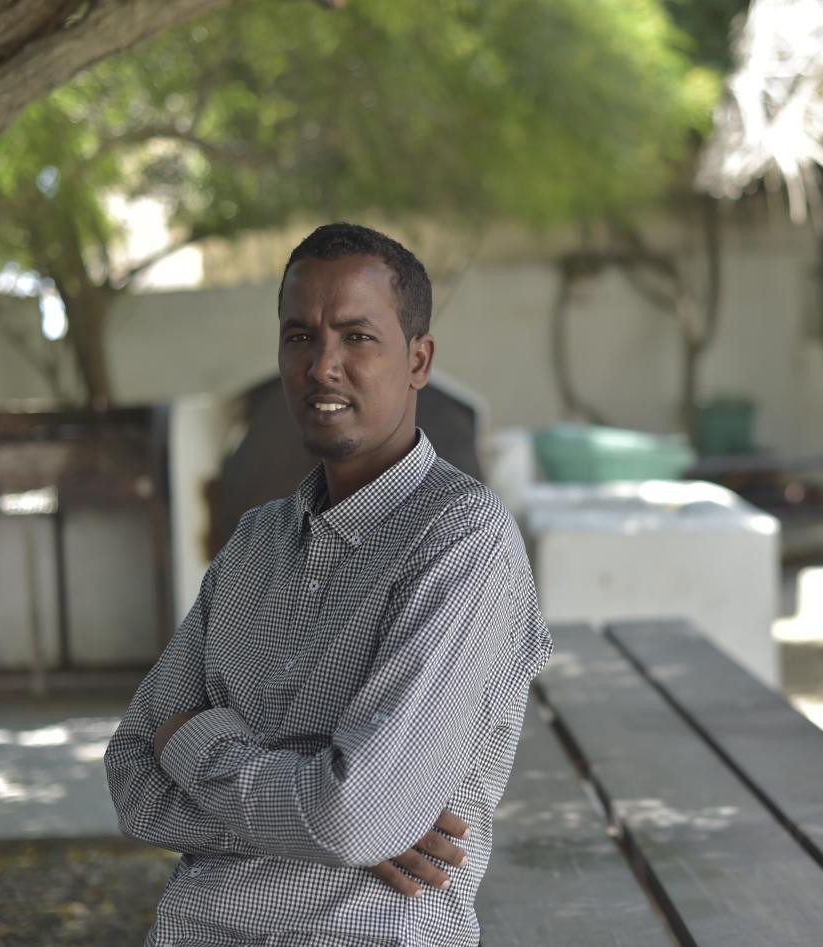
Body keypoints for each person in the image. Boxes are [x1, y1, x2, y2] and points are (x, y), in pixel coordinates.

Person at [105, 222, 552, 947]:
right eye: (299, 338)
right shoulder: (255, 543)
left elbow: (352, 817)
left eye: (358, 337)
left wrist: (191, 742)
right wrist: (326, 819)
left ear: (418, 360)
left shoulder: (462, 541)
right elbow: (130, 775)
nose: (322, 366)